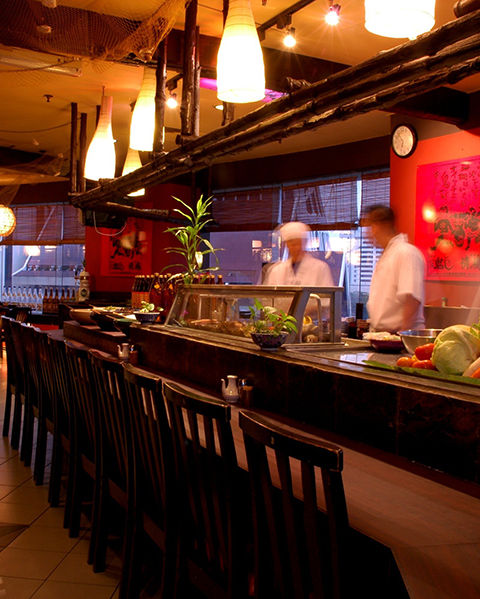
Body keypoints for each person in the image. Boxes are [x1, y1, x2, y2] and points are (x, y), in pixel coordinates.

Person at [364, 205, 425, 332]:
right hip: (382, 334)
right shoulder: (387, 255)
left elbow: (412, 299)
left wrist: (401, 335)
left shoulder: (406, 252)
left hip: (398, 335)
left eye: (369, 226)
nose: (367, 233)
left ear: (379, 226)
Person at [263, 221, 334, 286]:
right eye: (292, 244)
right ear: (286, 245)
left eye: (299, 243)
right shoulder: (276, 271)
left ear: (305, 243)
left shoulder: (320, 268)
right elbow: (269, 295)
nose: (296, 248)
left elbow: (326, 295)